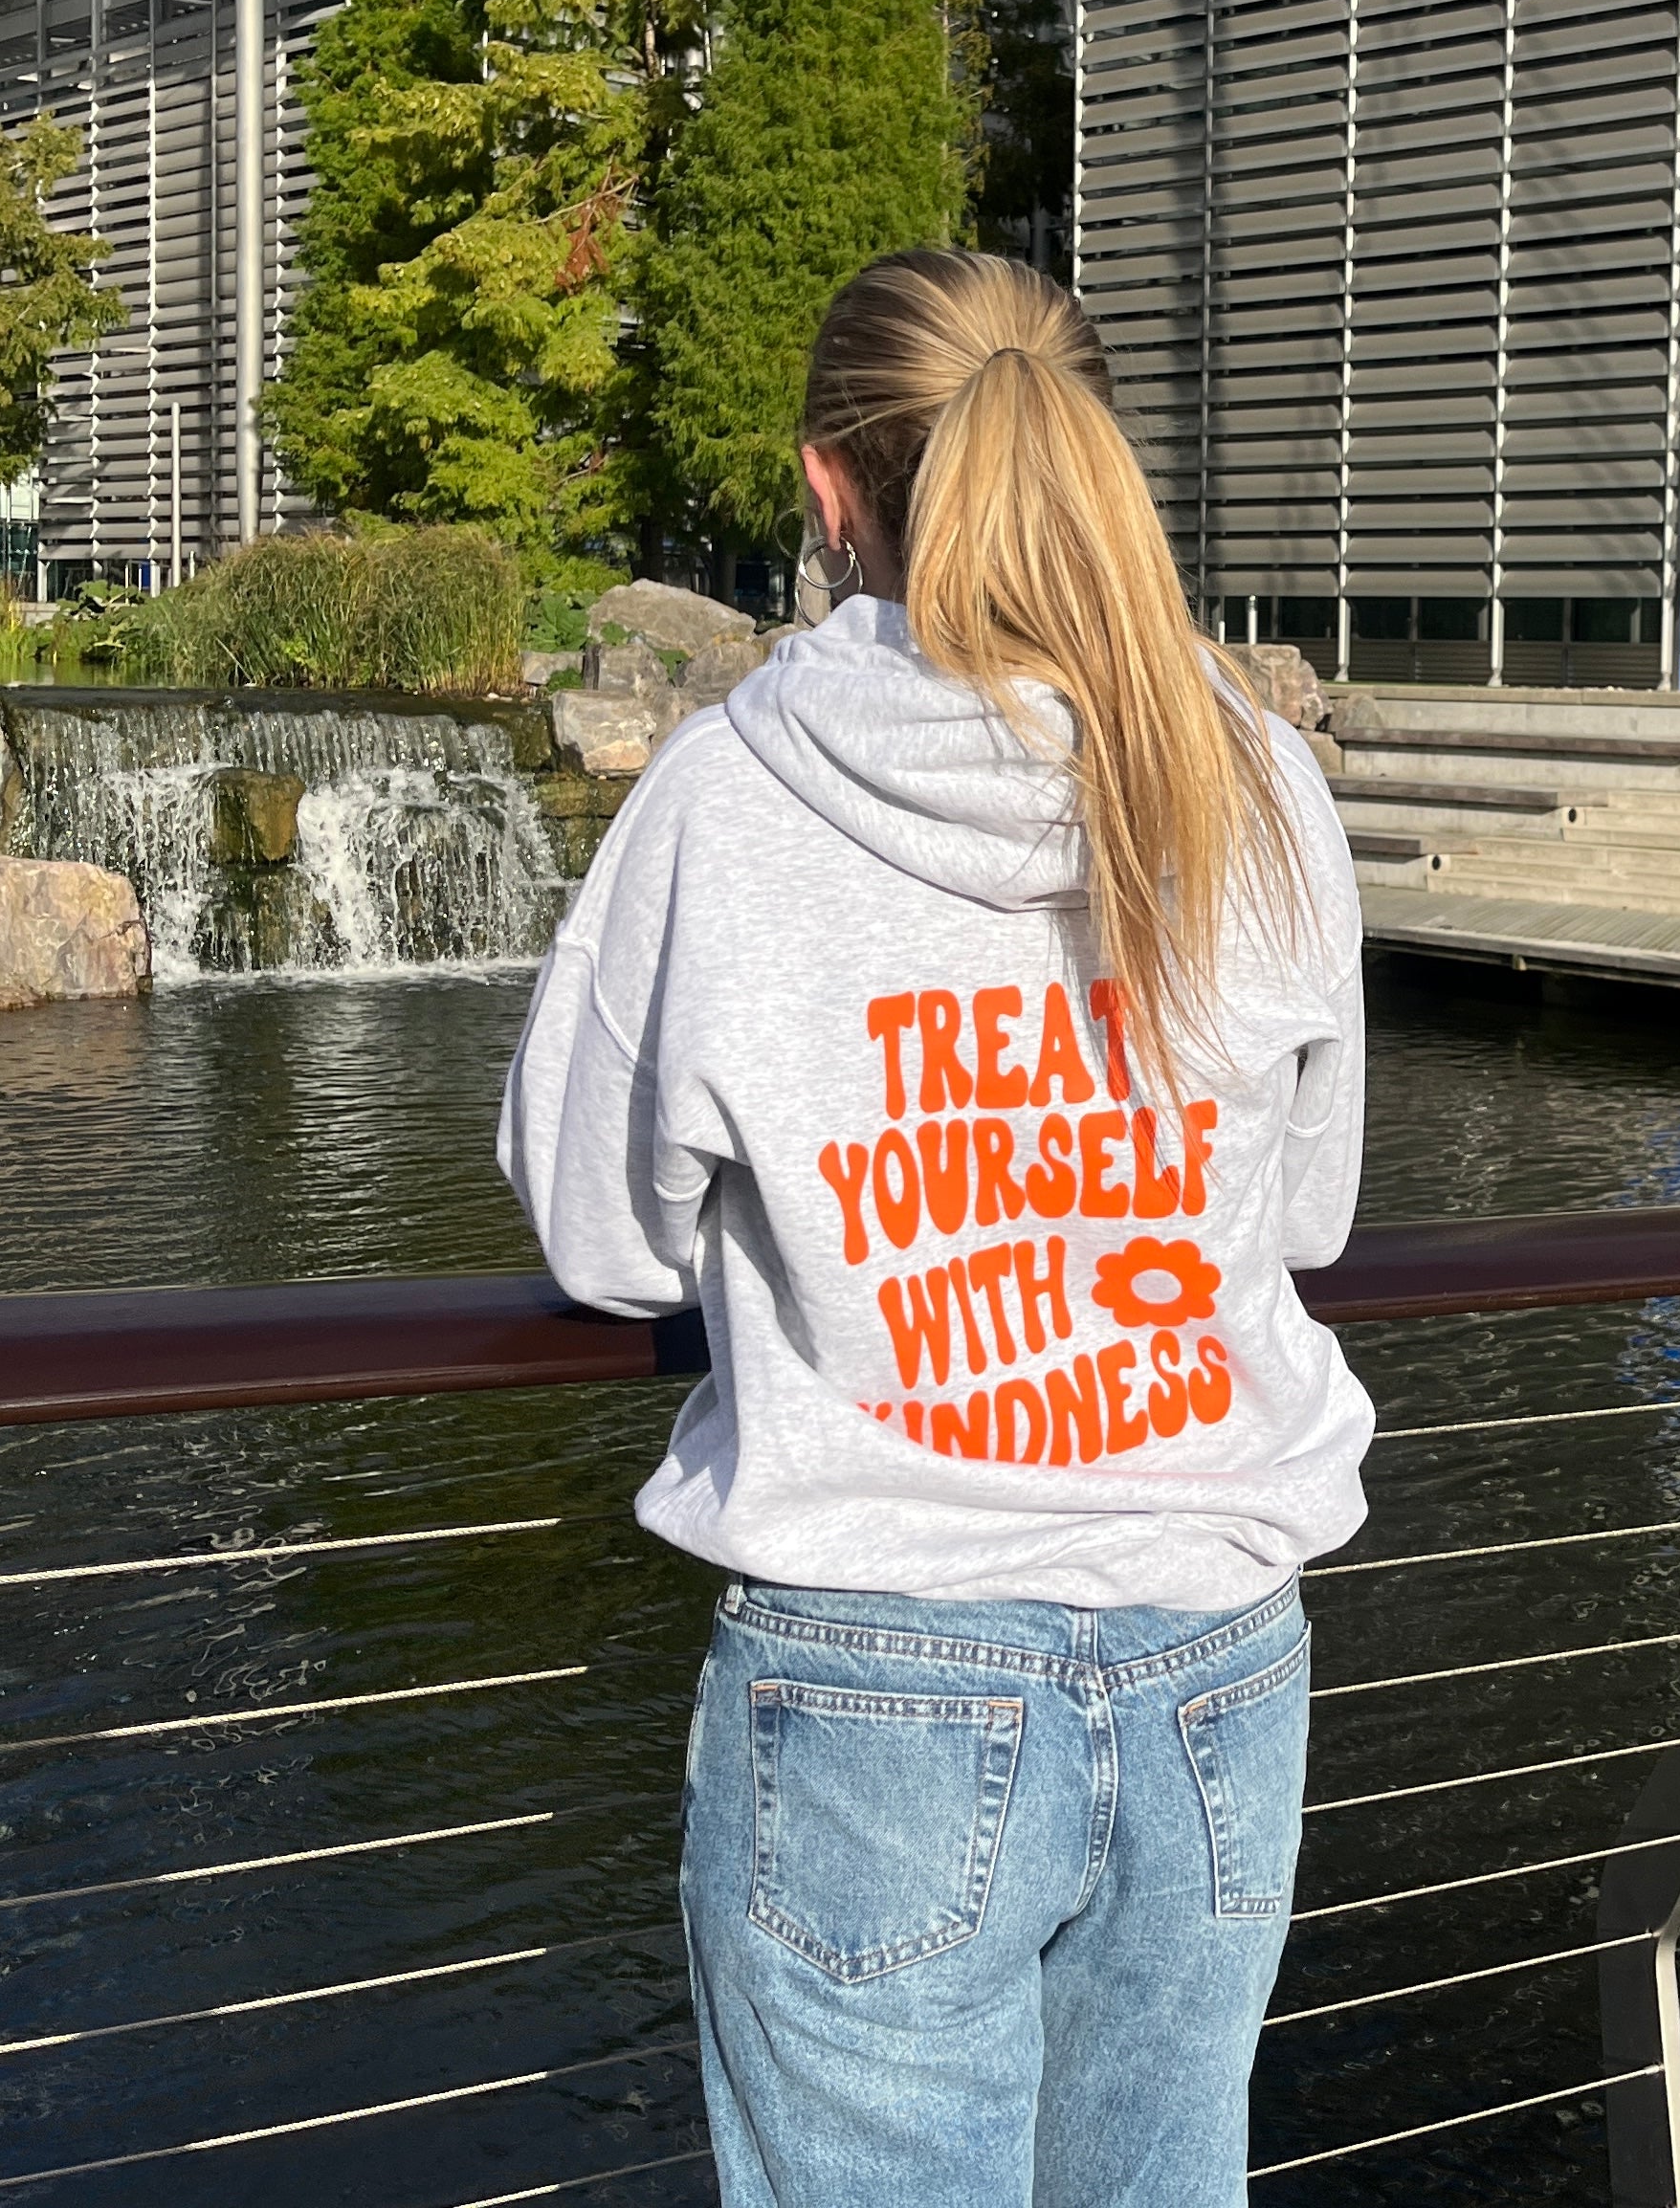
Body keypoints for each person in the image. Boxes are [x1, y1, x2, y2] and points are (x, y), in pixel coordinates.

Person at [499, 250, 1371, 2207]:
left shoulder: (727, 802)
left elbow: (600, 1235)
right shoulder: (1255, 783)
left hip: (877, 1674)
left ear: (828, 494)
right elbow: (1302, 1208)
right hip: (1217, 1657)